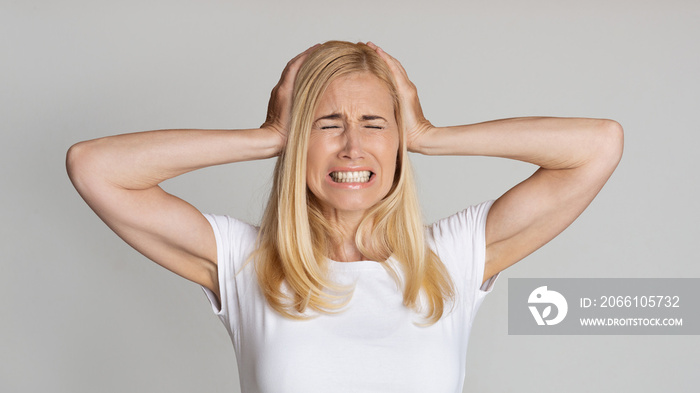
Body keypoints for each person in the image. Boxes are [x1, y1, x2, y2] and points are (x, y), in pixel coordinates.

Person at [66, 41, 623, 392]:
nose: (353, 147)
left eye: (375, 124)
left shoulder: (450, 260)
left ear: (397, 141)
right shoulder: (246, 264)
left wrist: (431, 135)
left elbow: (598, 145)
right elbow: (95, 167)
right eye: (327, 123)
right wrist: (267, 138)